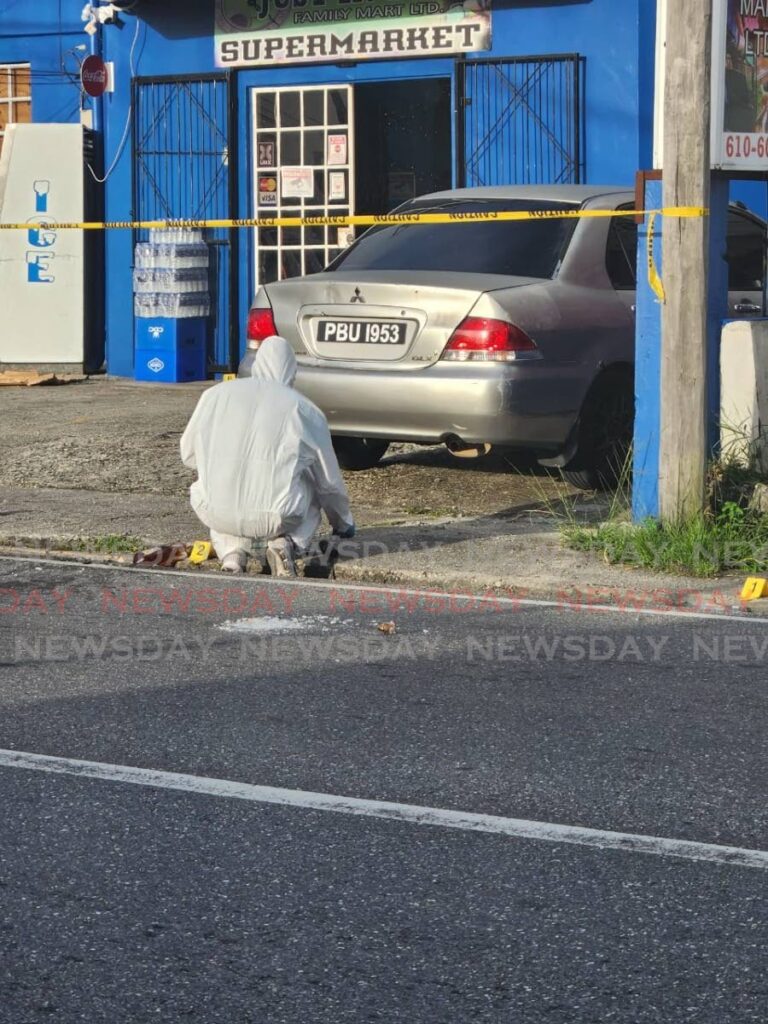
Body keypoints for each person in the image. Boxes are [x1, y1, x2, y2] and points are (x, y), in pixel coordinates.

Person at [180, 335, 355, 577]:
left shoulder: (214, 395)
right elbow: (329, 484)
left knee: (219, 484)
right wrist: (343, 524)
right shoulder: (303, 409)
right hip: (278, 516)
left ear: (257, 365)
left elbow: (188, 455)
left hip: (215, 513)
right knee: (313, 481)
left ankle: (232, 556)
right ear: (291, 372)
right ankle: (287, 544)